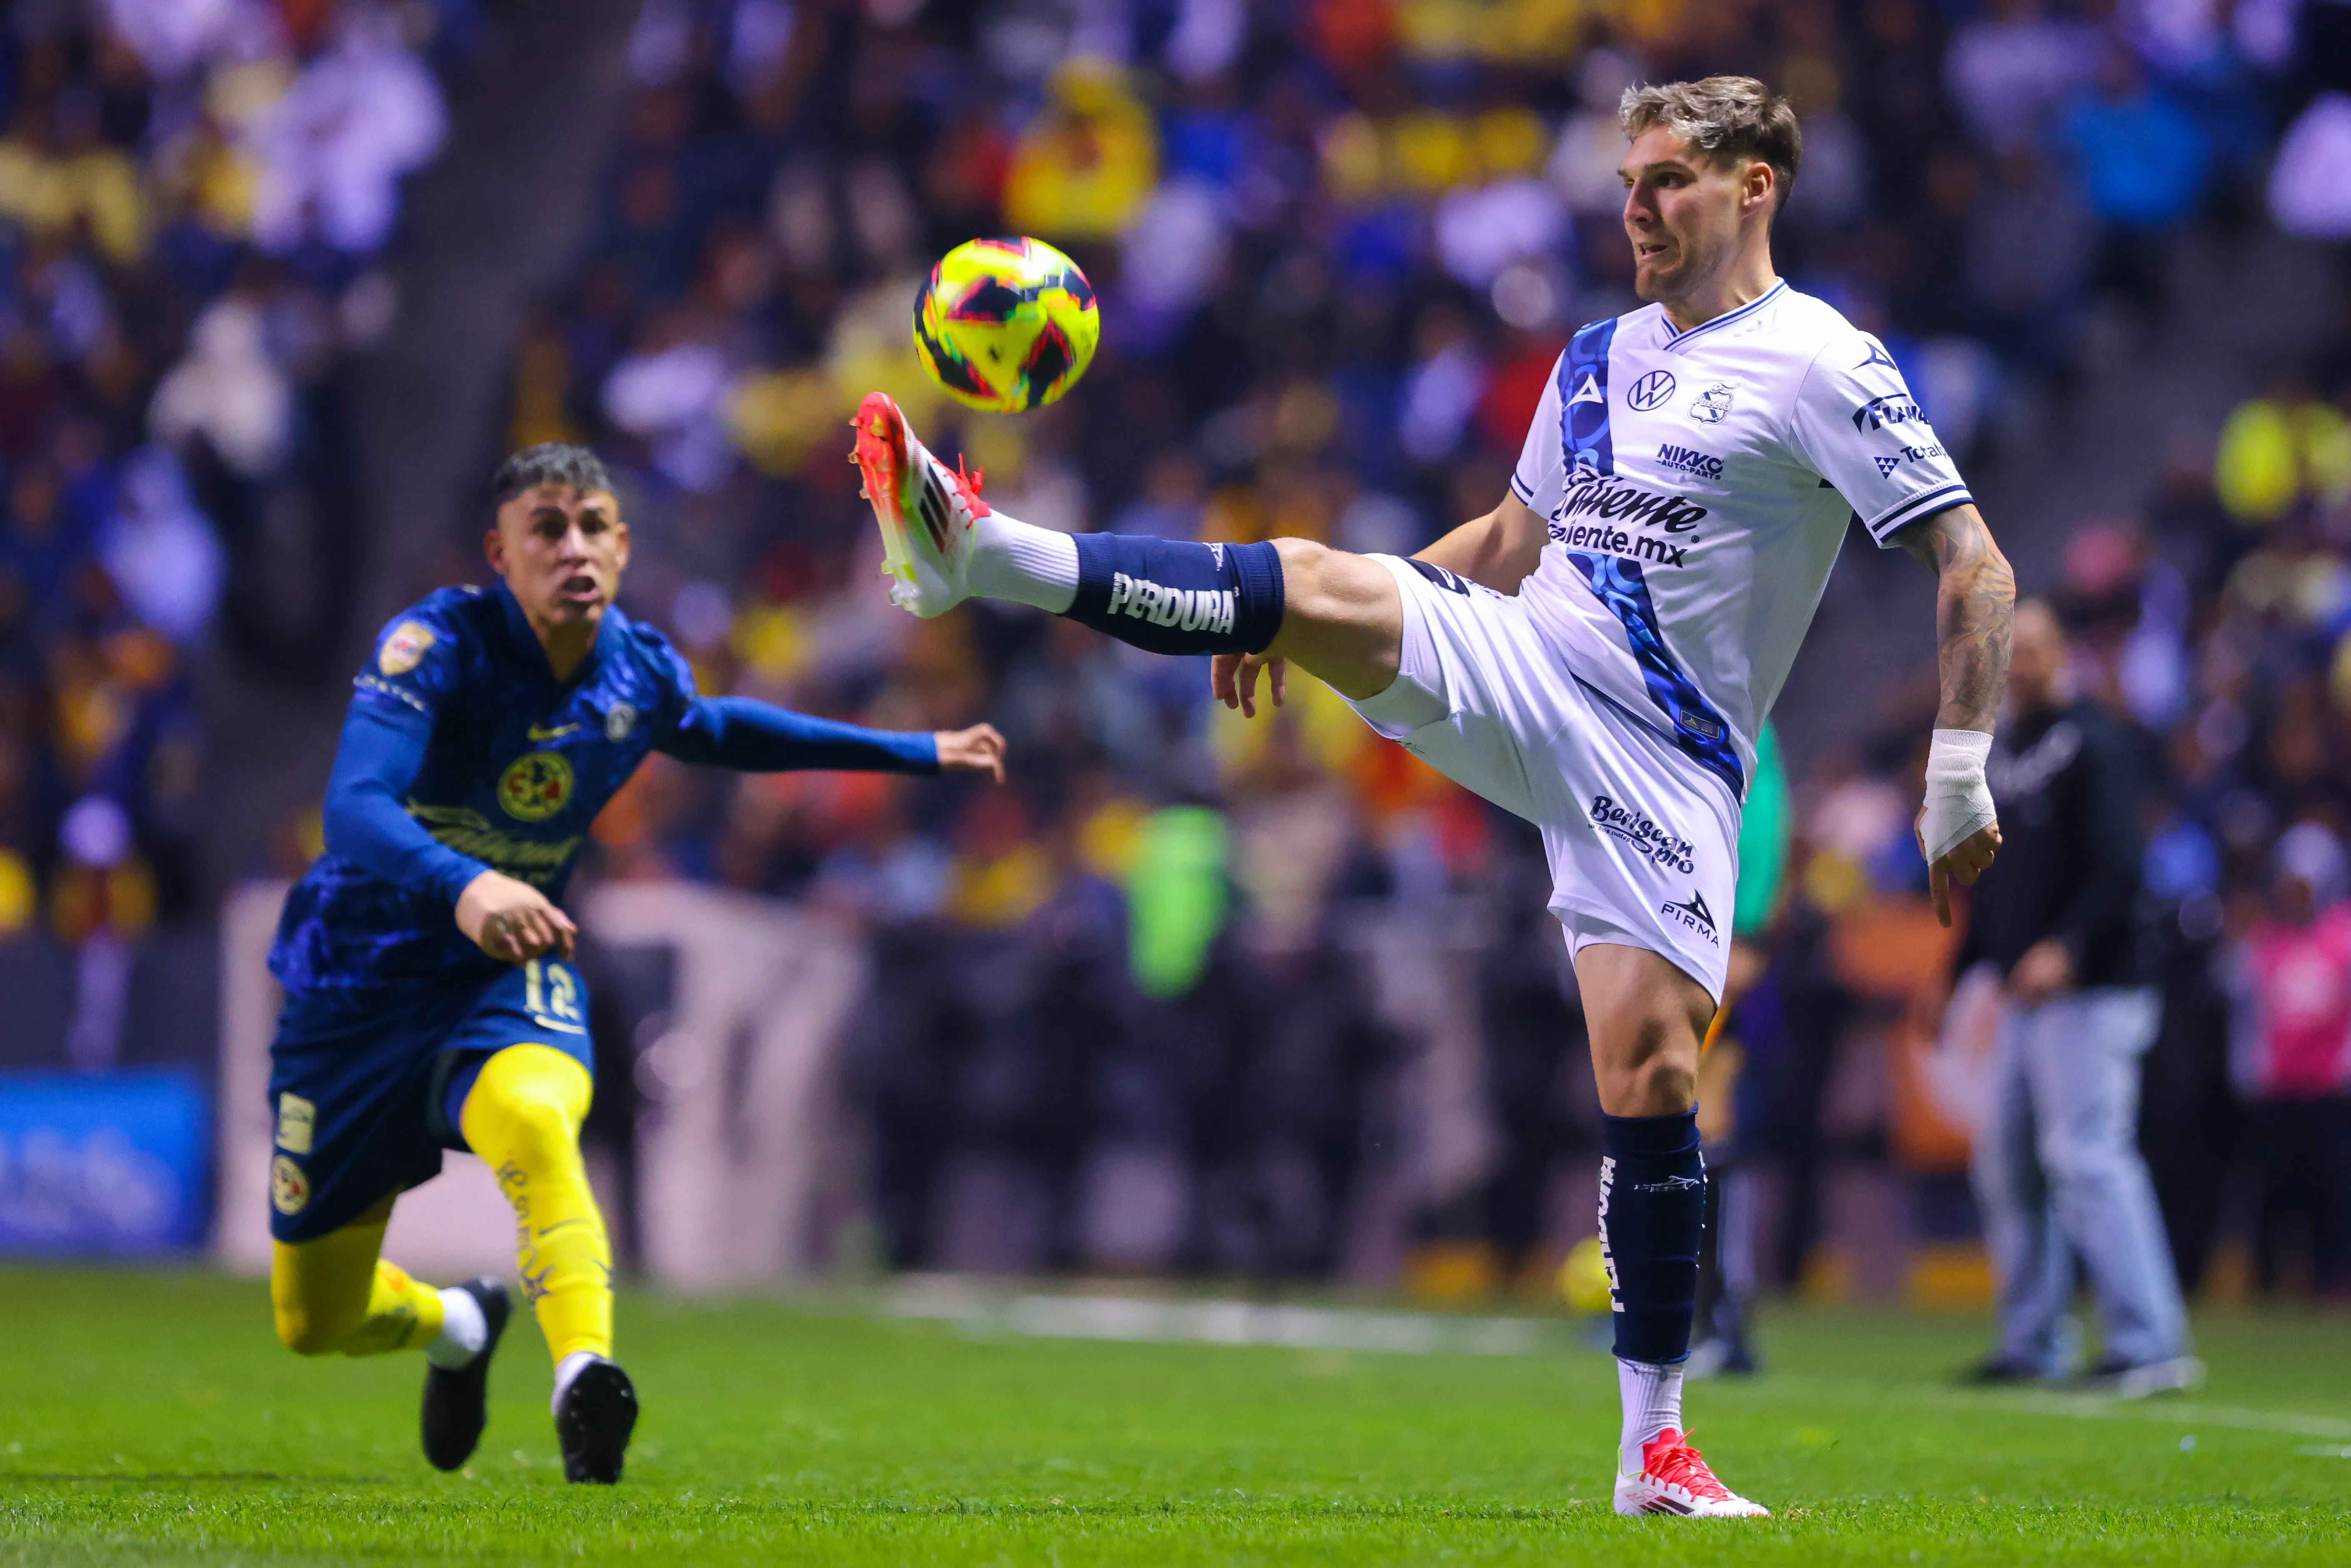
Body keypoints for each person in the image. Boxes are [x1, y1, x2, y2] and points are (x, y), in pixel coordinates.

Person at [853, 76, 2013, 1518]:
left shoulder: (1825, 365)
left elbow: (1975, 566)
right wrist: (1285, 622)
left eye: (1666, 181)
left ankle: (1654, 1448)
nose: (1636, 208)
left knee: (1650, 1076)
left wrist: (1955, 772)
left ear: (1753, 188)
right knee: (1324, 569)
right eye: (1627, 183)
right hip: (1533, 662)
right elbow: (1513, 539)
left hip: (1675, 757)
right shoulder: (1592, 357)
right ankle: (976, 549)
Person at [263, 443, 1005, 1482]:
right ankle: (459, 1324)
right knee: (314, 1317)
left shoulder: (636, 666)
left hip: (502, 972)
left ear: (621, 543)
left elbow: (715, 728)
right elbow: (353, 805)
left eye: (595, 526)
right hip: (356, 980)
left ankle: (583, 1377)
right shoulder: (434, 644)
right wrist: (466, 884)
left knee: (532, 1117)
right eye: (548, 528)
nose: (575, 547)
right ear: (501, 552)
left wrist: (913, 749)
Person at [1956, 599, 2196, 1395]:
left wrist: (2067, 945)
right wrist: (1955, 973)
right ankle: (2034, 1340)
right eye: (2008, 649)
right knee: (2009, 1164)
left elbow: (2123, 862)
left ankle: (2150, 1338)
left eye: (2032, 648)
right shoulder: (2007, 747)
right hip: (2030, 997)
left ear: (2061, 655)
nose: (2018, 662)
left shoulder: (2094, 738)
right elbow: (1998, 889)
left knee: (2088, 1156)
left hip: (2097, 985)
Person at [2226, 823, 2351, 1300]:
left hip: (2328, 1088)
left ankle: (2333, 1278)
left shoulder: (2341, 938)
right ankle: (2267, 1280)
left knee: (2332, 1191)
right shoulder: (2263, 941)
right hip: (2277, 1088)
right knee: (2273, 1193)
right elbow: (2248, 1014)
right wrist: (2247, 1071)